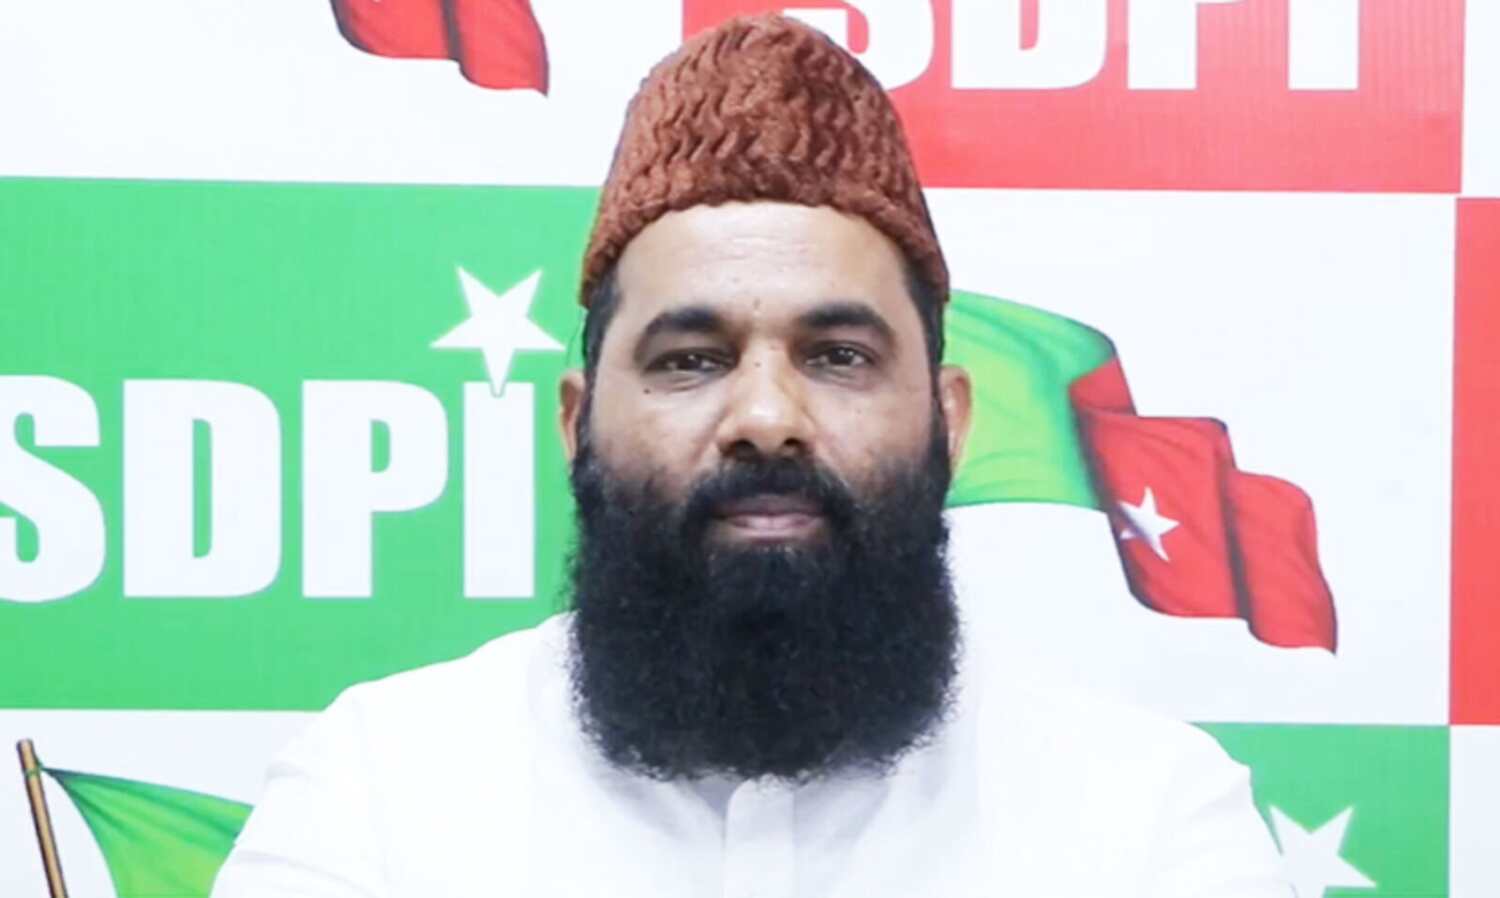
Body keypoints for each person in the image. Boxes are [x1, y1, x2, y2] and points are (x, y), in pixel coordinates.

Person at [212, 14, 1289, 897]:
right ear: (576, 426)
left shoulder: (1149, 818)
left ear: (950, 422)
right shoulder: (378, 792)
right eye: (690, 360)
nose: (767, 417)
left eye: (838, 356)